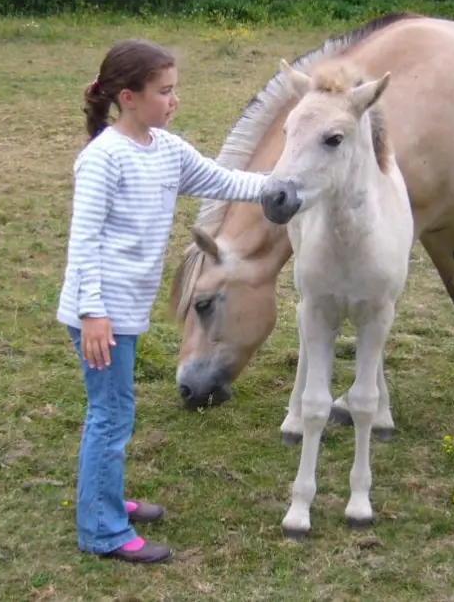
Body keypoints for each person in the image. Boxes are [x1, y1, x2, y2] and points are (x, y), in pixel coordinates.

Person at [55, 38, 269, 564]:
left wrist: (279, 185)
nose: (174, 101)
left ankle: (105, 501)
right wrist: (92, 314)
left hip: (118, 313)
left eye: (175, 90)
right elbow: (83, 243)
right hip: (100, 316)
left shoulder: (165, 149)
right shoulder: (104, 158)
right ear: (128, 97)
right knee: (110, 415)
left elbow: (225, 179)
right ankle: (102, 531)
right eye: (164, 91)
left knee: (115, 412)